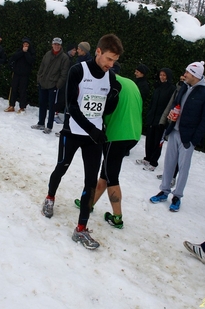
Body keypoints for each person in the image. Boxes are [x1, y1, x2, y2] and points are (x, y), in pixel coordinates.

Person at [41, 34, 124, 250]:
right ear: (98, 51)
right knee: (62, 167)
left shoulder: (110, 77)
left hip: (93, 138)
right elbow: (72, 106)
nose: (110, 64)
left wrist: (114, 96)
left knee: (90, 182)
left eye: (114, 61)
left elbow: (106, 109)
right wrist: (91, 130)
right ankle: (50, 197)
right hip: (73, 131)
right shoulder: (78, 71)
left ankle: (81, 229)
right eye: (108, 59)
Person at [75, 73, 143, 229]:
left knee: (111, 176)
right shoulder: (130, 82)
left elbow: (102, 109)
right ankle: (89, 203)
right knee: (106, 171)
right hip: (133, 134)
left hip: (117, 134)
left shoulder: (108, 83)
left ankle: (117, 217)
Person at [150, 61, 205, 212]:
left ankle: (177, 196)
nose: (184, 75)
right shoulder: (184, 87)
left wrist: (194, 139)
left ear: (195, 75)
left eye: (187, 72)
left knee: (183, 168)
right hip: (174, 132)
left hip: (188, 138)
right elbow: (177, 105)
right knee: (168, 164)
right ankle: (164, 191)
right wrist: (172, 115)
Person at [136, 68, 175, 171]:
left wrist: (166, 120)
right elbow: (153, 103)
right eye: (160, 75)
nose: (162, 77)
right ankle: (147, 158)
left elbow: (170, 105)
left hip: (161, 120)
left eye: (164, 75)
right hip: (152, 118)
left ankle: (154, 162)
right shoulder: (157, 87)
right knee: (149, 140)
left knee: (157, 142)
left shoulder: (171, 89)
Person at [31, 37, 69, 134]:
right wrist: (39, 78)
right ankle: (41, 123)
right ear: (52, 45)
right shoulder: (47, 54)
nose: (56, 46)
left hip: (53, 86)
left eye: (58, 45)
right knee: (42, 104)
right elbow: (41, 67)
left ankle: (49, 126)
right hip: (43, 83)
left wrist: (57, 85)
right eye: (55, 44)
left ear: (60, 46)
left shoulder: (64, 58)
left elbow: (64, 74)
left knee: (52, 106)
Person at [4, 37, 36, 113]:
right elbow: (14, 57)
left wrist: (26, 53)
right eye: (24, 44)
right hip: (16, 73)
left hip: (25, 75)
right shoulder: (19, 50)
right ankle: (11, 105)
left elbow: (31, 61)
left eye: (27, 44)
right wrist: (22, 52)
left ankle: (22, 107)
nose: (25, 46)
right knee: (13, 90)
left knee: (23, 91)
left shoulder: (31, 52)